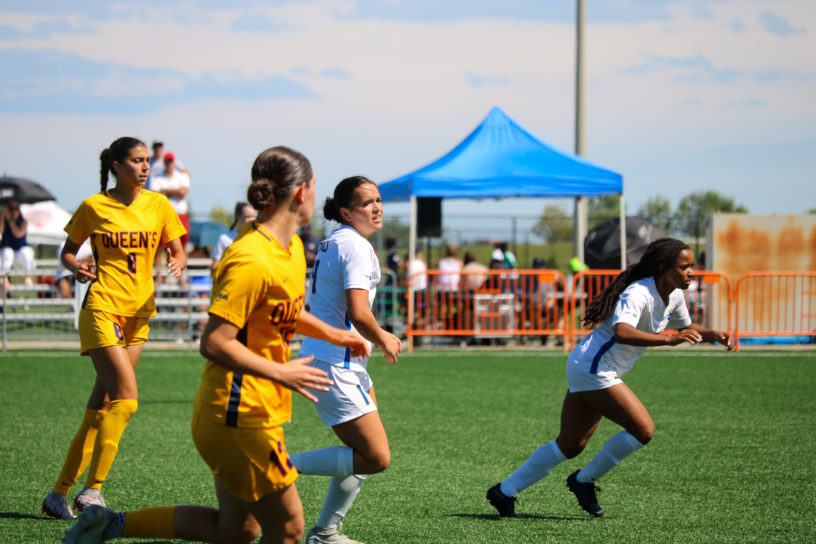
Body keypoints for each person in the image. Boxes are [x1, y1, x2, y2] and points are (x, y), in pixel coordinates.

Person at [62, 146, 370, 544]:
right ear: (302, 192)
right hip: (237, 417)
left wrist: (335, 333)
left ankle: (108, 525)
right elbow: (214, 341)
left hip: (249, 411)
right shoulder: (251, 257)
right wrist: (281, 371)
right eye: (315, 187)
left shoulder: (290, 247)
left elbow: (279, 309)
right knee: (291, 529)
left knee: (237, 529)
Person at [486, 238, 734, 518]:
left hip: (591, 366)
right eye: (684, 266)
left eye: (691, 266)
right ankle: (583, 481)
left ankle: (503, 491)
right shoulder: (638, 292)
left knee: (570, 445)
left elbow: (685, 326)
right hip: (594, 367)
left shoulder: (674, 295)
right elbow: (623, 332)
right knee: (643, 430)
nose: (692, 272)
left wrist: (714, 335)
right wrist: (669, 339)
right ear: (663, 267)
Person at [41, 137, 188, 521]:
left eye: (146, 161)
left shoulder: (158, 204)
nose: (144, 167)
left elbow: (178, 247)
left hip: (140, 313)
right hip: (102, 307)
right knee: (127, 399)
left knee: (102, 406)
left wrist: (178, 259)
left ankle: (58, 495)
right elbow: (67, 252)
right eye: (137, 161)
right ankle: (93, 491)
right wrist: (76, 267)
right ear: (117, 166)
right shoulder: (94, 205)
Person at [293, 176, 402, 544]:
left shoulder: (333, 242)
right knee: (375, 457)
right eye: (366, 202)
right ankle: (276, 467)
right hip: (334, 364)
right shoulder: (355, 246)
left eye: (379, 200)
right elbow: (358, 311)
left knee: (361, 452)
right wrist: (384, 336)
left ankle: (325, 532)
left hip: (334, 360)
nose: (377, 207)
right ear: (345, 212)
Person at [151, 151, 191, 249]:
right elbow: (156, 196)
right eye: (167, 161)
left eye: (171, 161)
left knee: (182, 247)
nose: (169, 164)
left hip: (180, 215)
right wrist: (175, 192)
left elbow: (182, 193)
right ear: (164, 163)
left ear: (174, 162)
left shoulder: (182, 176)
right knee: (159, 246)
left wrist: (165, 191)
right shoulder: (156, 178)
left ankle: (182, 265)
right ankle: (158, 265)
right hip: (163, 216)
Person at [0, 199, 36, 293]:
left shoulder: (23, 220)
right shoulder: (4, 219)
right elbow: (0, 231)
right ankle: (4, 276)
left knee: (26, 252)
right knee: (7, 253)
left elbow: (18, 234)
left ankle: (27, 276)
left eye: (16, 209)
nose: (13, 211)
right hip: (7, 252)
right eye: (11, 209)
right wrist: (3, 216)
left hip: (19, 252)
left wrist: (11, 222)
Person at [210, 201, 257, 270]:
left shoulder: (259, 239)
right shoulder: (224, 239)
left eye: (254, 216)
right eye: (248, 216)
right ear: (238, 217)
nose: (252, 220)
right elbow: (215, 265)